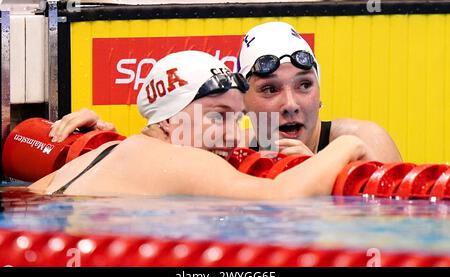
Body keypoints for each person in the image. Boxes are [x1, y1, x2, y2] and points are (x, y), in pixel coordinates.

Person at [28, 50, 375, 200]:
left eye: (235, 118)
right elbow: (280, 197)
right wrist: (347, 146)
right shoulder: (183, 160)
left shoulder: (108, 150)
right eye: (217, 116)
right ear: (168, 120)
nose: (231, 134)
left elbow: (29, 194)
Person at [238, 21, 402, 161]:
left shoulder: (365, 141)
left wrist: (315, 168)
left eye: (304, 85)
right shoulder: (233, 151)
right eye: (270, 89)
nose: (290, 104)